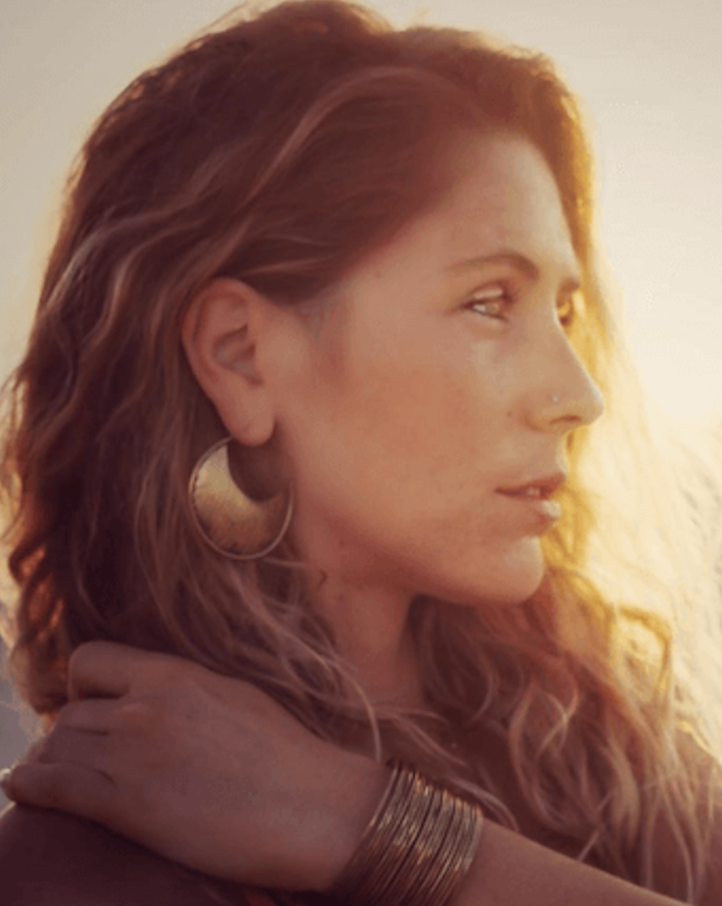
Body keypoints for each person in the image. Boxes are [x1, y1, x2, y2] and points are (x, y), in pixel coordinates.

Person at [0, 0, 720, 903]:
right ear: (241, 354)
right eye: (490, 302)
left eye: (564, 313)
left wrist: (364, 826)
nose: (579, 396)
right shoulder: (83, 864)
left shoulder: (609, 760)